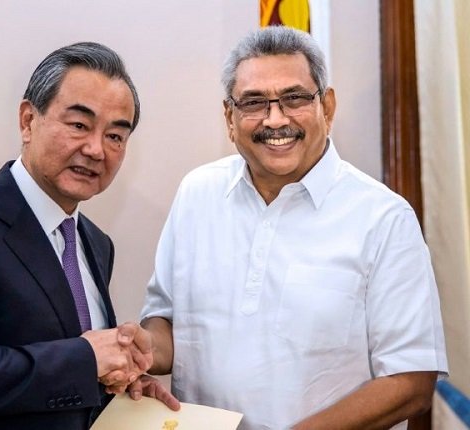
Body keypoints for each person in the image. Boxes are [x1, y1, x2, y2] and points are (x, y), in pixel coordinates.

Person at [137, 26, 448, 429]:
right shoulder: (197, 193)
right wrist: (138, 349)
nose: (276, 119)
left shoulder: (384, 218)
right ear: (229, 117)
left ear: (328, 107)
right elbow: (164, 320)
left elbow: (411, 381)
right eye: (253, 102)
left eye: (295, 98)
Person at [0, 41, 176, 430]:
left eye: (115, 136)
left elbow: (62, 375)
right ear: (28, 120)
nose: (96, 149)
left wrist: (118, 387)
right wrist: (88, 361)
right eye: (79, 125)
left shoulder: (96, 243)